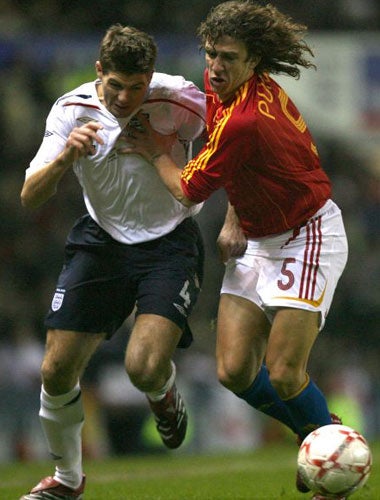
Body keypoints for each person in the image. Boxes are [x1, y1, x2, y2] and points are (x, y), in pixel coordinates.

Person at [124, 2, 348, 499]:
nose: (216, 66)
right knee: (233, 371)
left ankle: (329, 467)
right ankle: (316, 429)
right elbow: (247, 168)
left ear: (254, 61)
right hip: (258, 234)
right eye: (211, 54)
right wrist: (236, 215)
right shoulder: (230, 91)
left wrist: (154, 150)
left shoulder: (245, 116)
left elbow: (186, 189)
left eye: (229, 57)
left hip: (305, 235)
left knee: (287, 372)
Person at [19, 24, 206, 500]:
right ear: (100, 71)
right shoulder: (70, 109)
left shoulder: (181, 100)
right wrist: (65, 157)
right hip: (102, 241)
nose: (125, 97)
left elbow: (235, 144)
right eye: (116, 85)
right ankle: (66, 480)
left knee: (142, 367)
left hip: (168, 242)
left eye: (136, 86)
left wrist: (236, 217)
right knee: (56, 370)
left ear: (151, 78)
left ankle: (162, 394)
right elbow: (29, 196)